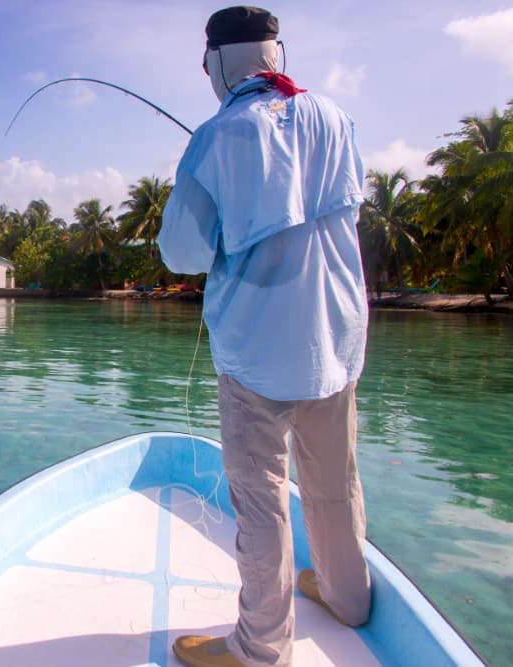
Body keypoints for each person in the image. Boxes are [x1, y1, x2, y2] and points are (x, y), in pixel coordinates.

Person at [156, 6, 372, 667]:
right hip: (337, 338)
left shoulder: (216, 136)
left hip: (256, 353)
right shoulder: (335, 118)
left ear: (220, 62)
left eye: (205, 64)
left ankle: (259, 648)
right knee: (336, 482)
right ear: (275, 53)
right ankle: (347, 595)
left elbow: (181, 251)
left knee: (262, 500)